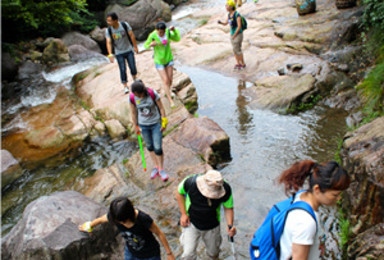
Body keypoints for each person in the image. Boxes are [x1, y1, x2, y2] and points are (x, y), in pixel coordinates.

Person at [277, 160, 350, 260]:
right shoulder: (306, 223)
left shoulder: (301, 196)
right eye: (335, 195)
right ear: (317, 189)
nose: (339, 199)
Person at [79, 197, 175, 260]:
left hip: (150, 255)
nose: (119, 223)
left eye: (122, 221)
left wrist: (169, 253)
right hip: (131, 251)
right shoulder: (115, 216)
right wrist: (89, 226)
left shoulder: (143, 219)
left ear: (129, 215)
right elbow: (101, 219)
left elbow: (159, 233)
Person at [176, 170, 236, 259]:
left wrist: (230, 225)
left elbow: (228, 208)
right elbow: (179, 193)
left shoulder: (226, 189)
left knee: (213, 254)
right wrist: (183, 214)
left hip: (212, 225)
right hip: (191, 222)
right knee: (188, 254)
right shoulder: (191, 183)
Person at [130, 80, 169, 181]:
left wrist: (164, 121)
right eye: (136, 95)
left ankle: (161, 169)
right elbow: (133, 113)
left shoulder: (152, 93)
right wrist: (135, 126)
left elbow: (161, 108)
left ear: (143, 91)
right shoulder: (132, 98)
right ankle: (156, 166)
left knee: (158, 148)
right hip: (143, 126)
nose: (139, 97)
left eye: (139, 94)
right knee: (150, 147)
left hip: (156, 124)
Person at [144, 22, 181, 108]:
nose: (161, 33)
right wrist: (150, 45)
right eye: (160, 32)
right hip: (159, 61)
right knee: (165, 80)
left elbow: (177, 38)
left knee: (170, 79)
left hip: (168, 58)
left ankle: (167, 91)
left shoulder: (167, 32)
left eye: (163, 32)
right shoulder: (153, 35)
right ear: (156, 30)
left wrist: (174, 31)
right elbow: (145, 45)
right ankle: (170, 100)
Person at [106, 12, 139, 94]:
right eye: (107, 21)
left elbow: (131, 35)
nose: (108, 23)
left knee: (132, 66)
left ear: (115, 20)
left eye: (110, 21)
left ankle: (135, 79)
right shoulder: (109, 30)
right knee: (122, 69)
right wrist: (110, 54)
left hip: (128, 50)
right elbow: (108, 42)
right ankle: (125, 86)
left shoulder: (124, 25)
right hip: (119, 52)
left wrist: (135, 46)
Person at [218, 1, 246, 70]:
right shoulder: (229, 14)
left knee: (238, 49)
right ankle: (238, 63)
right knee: (234, 49)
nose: (226, 7)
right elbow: (226, 23)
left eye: (227, 6)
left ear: (231, 6)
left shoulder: (237, 15)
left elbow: (239, 26)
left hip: (238, 34)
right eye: (225, 6)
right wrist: (221, 23)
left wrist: (234, 35)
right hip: (232, 34)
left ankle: (243, 64)